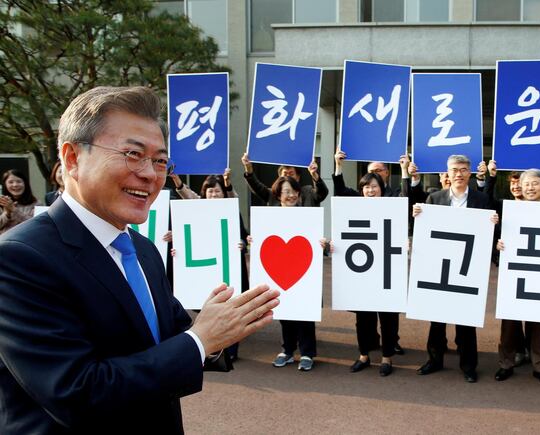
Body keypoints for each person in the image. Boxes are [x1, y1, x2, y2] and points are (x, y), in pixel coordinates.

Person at [0, 86, 280, 433]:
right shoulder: (18, 258)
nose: (150, 174)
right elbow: (77, 392)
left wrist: (217, 332)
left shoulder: (143, 249)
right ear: (72, 159)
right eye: (133, 154)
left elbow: (173, 337)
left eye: (160, 160)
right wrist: (201, 340)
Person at [413, 154, 499, 383]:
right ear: (447, 173)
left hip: (468, 266)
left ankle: (469, 366)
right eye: (454, 170)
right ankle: (434, 359)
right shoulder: (434, 198)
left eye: (463, 169)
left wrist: (494, 224)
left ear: (469, 173)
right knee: (437, 319)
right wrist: (417, 216)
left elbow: (491, 232)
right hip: (440, 264)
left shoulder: (482, 200)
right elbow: (423, 230)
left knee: (466, 320)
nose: (458, 174)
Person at [493, 167, 540, 386]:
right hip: (515, 272)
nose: (530, 187)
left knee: (539, 323)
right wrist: (497, 244)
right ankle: (505, 363)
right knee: (509, 322)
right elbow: (495, 232)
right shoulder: (508, 211)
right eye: (526, 184)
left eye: (535, 183)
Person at [331, 153, 401, 376]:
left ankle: (387, 358)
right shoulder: (355, 205)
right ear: (361, 190)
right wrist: (338, 165)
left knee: (388, 317)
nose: (371, 191)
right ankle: (363, 355)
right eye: (366, 187)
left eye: (374, 186)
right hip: (362, 271)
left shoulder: (393, 206)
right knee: (363, 318)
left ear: (382, 187)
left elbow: (408, 196)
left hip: (387, 269)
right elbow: (340, 191)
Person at [170, 170, 250, 361]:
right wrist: (179, 247)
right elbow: (188, 197)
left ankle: (231, 350)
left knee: (230, 306)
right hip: (206, 269)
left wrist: (242, 244)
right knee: (210, 308)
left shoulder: (231, 209)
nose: (214, 195)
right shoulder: (199, 209)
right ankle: (212, 347)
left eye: (217, 191)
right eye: (210, 191)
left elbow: (243, 234)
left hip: (229, 267)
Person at [269, 176, 318, 372]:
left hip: (304, 270)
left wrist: (321, 243)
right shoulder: (270, 217)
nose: (289, 195)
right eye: (285, 192)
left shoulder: (309, 215)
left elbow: (314, 241)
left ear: (298, 193)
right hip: (280, 269)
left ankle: (307, 353)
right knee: (285, 311)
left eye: (292, 191)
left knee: (305, 312)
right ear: (278, 195)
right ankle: (287, 350)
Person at [241, 152, 328, 206]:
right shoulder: (273, 194)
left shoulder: (308, 192)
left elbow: (322, 193)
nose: (288, 177)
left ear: (298, 177)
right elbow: (256, 187)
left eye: (291, 174)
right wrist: (248, 169)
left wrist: (314, 174)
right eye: (285, 174)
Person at [0, 169, 39, 235]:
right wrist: (7, 213)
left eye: (19, 181)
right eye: (11, 182)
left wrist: (14, 210)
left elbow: (34, 225)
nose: (15, 185)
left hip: (25, 242)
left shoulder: (36, 203)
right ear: (5, 185)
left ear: (25, 184)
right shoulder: (1, 202)